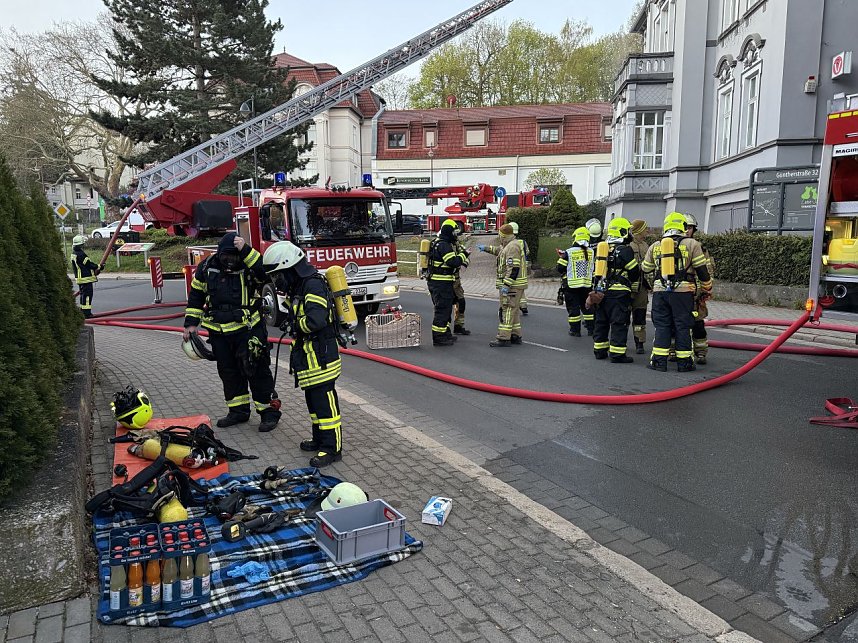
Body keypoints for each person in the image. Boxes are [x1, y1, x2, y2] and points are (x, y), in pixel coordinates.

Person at [183, 232, 281, 432]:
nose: (229, 262)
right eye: (226, 257)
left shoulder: (248, 263)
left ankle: (268, 413)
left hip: (248, 330)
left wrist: (246, 251)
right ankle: (238, 411)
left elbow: (265, 274)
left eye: (233, 257)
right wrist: (190, 324)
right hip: (219, 333)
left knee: (257, 370)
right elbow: (196, 296)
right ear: (219, 253)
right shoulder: (207, 267)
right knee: (228, 373)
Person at [262, 241, 343, 467]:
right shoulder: (299, 286)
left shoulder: (313, 285)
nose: (277, 280)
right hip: (309, 357)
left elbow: (317, 320)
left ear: (290, 268)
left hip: (321, 357)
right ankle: (319, 440)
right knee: (314, 403)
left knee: (325, 405)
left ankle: (332, 448)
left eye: (278, 275)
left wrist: (295, 326)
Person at [641, 212, 713, 372]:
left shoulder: (655, 245)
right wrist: (707, 288)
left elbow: (645, 268)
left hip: (660, 292)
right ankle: (685, 363)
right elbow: (702, 271)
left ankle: (658, 362)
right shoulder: (692, 244)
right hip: (683, 292)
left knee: (662, 326)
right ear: (682, 227)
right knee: (683, 326)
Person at [591, 218, 639, 363]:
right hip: (619, 293)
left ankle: (599, 351)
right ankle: (617, 354)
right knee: (619, 323)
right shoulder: (625, 250)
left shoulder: (602, 248)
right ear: (622, 232)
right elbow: (634, 272)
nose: (630, 233)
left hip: (601, 291)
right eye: (628, 231)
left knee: (601, 322)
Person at [478, 223, 526, 347]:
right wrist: (485, 248)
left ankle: (504, 337)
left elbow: (513, 268)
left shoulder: (512, 247)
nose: (499, 237)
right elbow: (499, 251)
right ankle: (515, 335)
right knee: (514, 311)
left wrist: (506, 285)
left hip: (512, 286)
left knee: (507, 310)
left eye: (500, 235)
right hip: (515, 285)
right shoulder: (510, 245)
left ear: (503, 236)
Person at [427, 219, 469, 346]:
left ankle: (445, 333)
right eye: (454, 232)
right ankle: (439, 337)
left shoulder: (438, 243)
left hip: (441, 282)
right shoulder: (444, 245)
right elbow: (453, 262)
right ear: (449, 232)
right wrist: (464, 255)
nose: (455, 235)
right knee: (442, 310)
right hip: (441, 283)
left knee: (446, 310)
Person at [685, 213, 715, 364]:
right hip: (681, 292)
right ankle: (673, 350)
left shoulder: (700, 248)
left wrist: (705, 290)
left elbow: (707, 271)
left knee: (698, 324)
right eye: (685, 227)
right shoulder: (673, 246)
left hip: (697, 294)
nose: (687, 230)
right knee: (677, 323)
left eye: (690, 227)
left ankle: (701, 352)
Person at [556, 226, 594, 336]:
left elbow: (560, 268)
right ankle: (591, 329)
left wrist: (562, 258)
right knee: (587, 308)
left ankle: (575, 330)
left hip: (571, 286)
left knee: (573, 309)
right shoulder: (591, 252)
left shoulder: (569, 252)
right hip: (586, 285)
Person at [628, 219, 650, 355]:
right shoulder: (628, 245)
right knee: (623, 317)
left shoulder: (646, 246)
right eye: (645, 229)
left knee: (640, 316)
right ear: (639, 230)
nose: (647, 231)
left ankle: (639, 343)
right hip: (628, 287)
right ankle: (619, 342)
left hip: (642, 287)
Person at [70, 235, 105, 319]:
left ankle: (82, 311)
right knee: (87, 296)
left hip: (80, 278)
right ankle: (87, 313)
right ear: (80, 244)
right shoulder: (81, 254)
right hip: (85, 278)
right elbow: (89, 264)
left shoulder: (74, 253)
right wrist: (99, 266)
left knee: (83, 295)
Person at [509, 221, 530, 315]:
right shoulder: (523, 242)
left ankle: (513, 307)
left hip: (514, 268)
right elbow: (527, 252)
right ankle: (523, 305)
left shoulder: (510, 243)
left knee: (514, 288)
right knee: (521, 288)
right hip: (524, 268)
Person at [452, 234, 471, 335]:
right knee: (445, 307)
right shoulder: (443, 245)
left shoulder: (456, 245)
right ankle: (444, 331)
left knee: (461, 303)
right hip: (446, 281)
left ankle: (458, 326)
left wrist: (464, 263)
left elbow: (466, 255)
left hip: (456, 280)